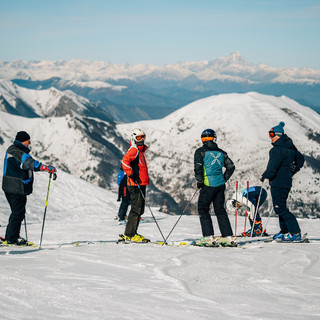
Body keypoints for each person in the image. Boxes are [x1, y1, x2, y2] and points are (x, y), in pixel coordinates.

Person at [2, 131, 56, 245]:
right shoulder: (19, 152)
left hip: (9, 186)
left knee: (17, 212)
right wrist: (46, 168)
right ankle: (11, 238)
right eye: (28, 141)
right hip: (16, 187)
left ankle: (12, 236)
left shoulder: (11, 149)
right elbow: (30, 163)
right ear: (24, 141)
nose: (29, 143)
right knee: (18, 213)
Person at [261, 121, 305, 242]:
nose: (270, 137)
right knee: (281, 206)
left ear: (278, 135)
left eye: (271, 134)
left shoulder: (276, 150)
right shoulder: (290, 147)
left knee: (280, 208)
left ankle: (295, 233)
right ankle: (284, 231)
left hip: (278, 182)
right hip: (286, 182)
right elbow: (300, 159)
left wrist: (265, 174)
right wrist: (292, 171)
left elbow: (272, 167)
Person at [194, 129, 236, 247]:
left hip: (208, 185)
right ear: (214, 138)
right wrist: (224, 178)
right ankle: (227, 237)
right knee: (220, 210)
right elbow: (231, 167)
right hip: (220, 185)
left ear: (203, 139)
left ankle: (208, 237)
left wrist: (200, 181)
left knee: (203, 209)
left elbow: (198, 168)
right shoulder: (221, 152)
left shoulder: (200, 152)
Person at [120, 128, 150, 242]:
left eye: (143, 137)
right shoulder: (134, 149)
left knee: (139, 209)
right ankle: (130, 234)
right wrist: (131, 174)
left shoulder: (140, 151)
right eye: (138, 137)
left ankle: (133, 233)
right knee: (136, 209)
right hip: (134, 184)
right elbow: (124, 161)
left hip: (141, 183)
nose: (141, 139)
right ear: (133, 138)